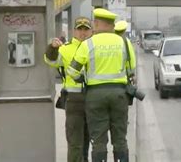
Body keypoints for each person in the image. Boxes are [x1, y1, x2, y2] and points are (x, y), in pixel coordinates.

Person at [67, 9, 136, 162]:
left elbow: (72, 71)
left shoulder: (88, 44)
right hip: (119, 94)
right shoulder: (124, 42)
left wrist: (82, 79)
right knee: (120, 138)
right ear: (112, 25)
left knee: (98, 140)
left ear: (97, 24)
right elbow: (131, 69)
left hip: (95, 95)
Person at [44, 17, 92, 162]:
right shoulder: (65, 48)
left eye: (86, 29)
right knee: (75, 142)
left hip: (93, 99)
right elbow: (50, 60)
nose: (82, 33)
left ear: (91, 31)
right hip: (74, 100)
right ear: (74, 31)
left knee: (88, 140)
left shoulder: (95, 47)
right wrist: (52, 47)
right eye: (80, 29)